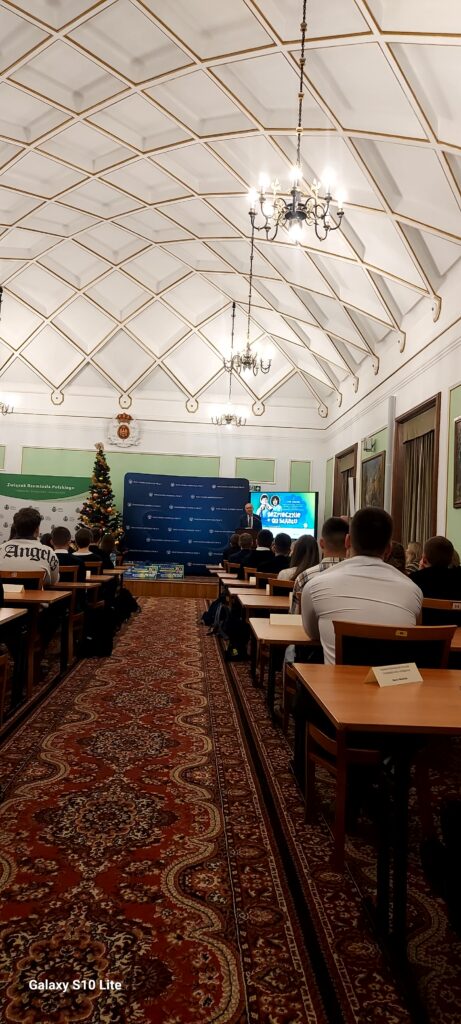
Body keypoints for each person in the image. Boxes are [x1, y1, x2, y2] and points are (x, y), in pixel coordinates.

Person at [301, 507, 423, 665]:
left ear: (347, 541)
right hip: (393, 680)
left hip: (338, 680)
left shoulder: (315, 585)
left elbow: (313, 634)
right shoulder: (413, 591)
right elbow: (414, 637)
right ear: (388, 549)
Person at [291, 519, 346, 614]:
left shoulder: (304, 577)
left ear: (321, 543)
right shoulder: (361, 578)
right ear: (348, 542)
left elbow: (294, 616)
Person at [0, 506, 59, 585]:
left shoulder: (1, 549)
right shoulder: (49, 552)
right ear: (37, 530)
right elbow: (53, 581)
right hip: (38, 593)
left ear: (15, 528)